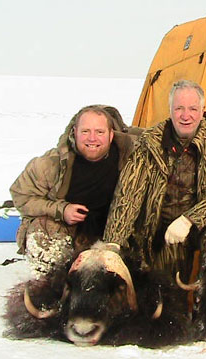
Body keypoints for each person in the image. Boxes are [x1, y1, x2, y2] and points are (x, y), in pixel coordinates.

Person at [103, 80, 206, 281]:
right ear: (170, 110)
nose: (186, 115)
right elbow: (129, 194)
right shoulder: (149, 144)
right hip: (159, 231)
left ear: (202, 111)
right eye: (179, 108)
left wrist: (189, 219)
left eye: (192, 109)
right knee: (163, 288)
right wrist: (113, 243)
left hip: (196, 226)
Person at [10, 105, 138, 278]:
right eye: (85, 131)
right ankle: (51, 284)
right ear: (74, 132)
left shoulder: (133, 158)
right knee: (43, 227)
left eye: (99, 132)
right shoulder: (50, 164)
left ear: (111, 134)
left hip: (114, 234)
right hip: (71, 233)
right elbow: (21, 196)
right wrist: (61, 210)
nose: (92, 138)